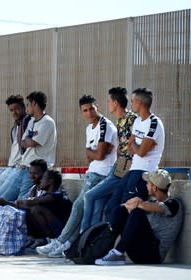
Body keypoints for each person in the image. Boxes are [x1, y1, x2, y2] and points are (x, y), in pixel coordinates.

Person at [37, 95, 118, 258]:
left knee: (78, 207)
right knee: (83, 210)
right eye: (85, 110)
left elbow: (100, 155)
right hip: (92, 173)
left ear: (98, 107)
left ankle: (62, 242)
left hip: (102, 174)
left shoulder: (105, 126)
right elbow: (90, 155)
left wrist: (93, 152)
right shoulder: (90, 128)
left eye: (91, 109)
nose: (88, 113)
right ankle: (68, 244)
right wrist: (93, 152)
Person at [95, 169, 183, 265]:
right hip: (138, 250)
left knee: (137, 212)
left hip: (152, 255)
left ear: (154, 187)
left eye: (148, 183)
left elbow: (148, 207)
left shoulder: (174, 204)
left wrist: (136, 202)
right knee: (120, 210)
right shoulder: (152, 203)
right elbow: (129, 207)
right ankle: (105, 250)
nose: (146, 185)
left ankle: (117, 253)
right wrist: (130, 204)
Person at [80, 87, 137, 232]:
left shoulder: (131, 119)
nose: (108, 104)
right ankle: (90, 240)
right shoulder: (120, 121)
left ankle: (84, 235)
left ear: (116, 103)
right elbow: (120, 148)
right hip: (118, 168)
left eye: (109, 101)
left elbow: (132, 148)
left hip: (124, 170)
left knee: (89, 196)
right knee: (99, 206)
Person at [104, 88, 165, 219]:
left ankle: (123, 238)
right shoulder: (137, 121)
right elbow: (130, 148)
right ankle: (109, 237)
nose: (130, 104)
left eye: (132, 101)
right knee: (112, 206)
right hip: (132, 170)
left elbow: (141, 152)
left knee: (126, 210)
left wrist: (136, 145)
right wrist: (139, 144)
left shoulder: (154, 123)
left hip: (144, 172)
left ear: (139, 102)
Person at [0, 91, 57, 201]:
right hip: (22, 168)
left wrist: (29, 141)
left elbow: (32, 143)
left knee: (21, 202)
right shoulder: (31, 122)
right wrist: (28, 141)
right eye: (11, 110)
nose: (14, 112)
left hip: (35, 170)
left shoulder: (47, 122)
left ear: (34, 104)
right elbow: (23, 142)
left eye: (27, 105)